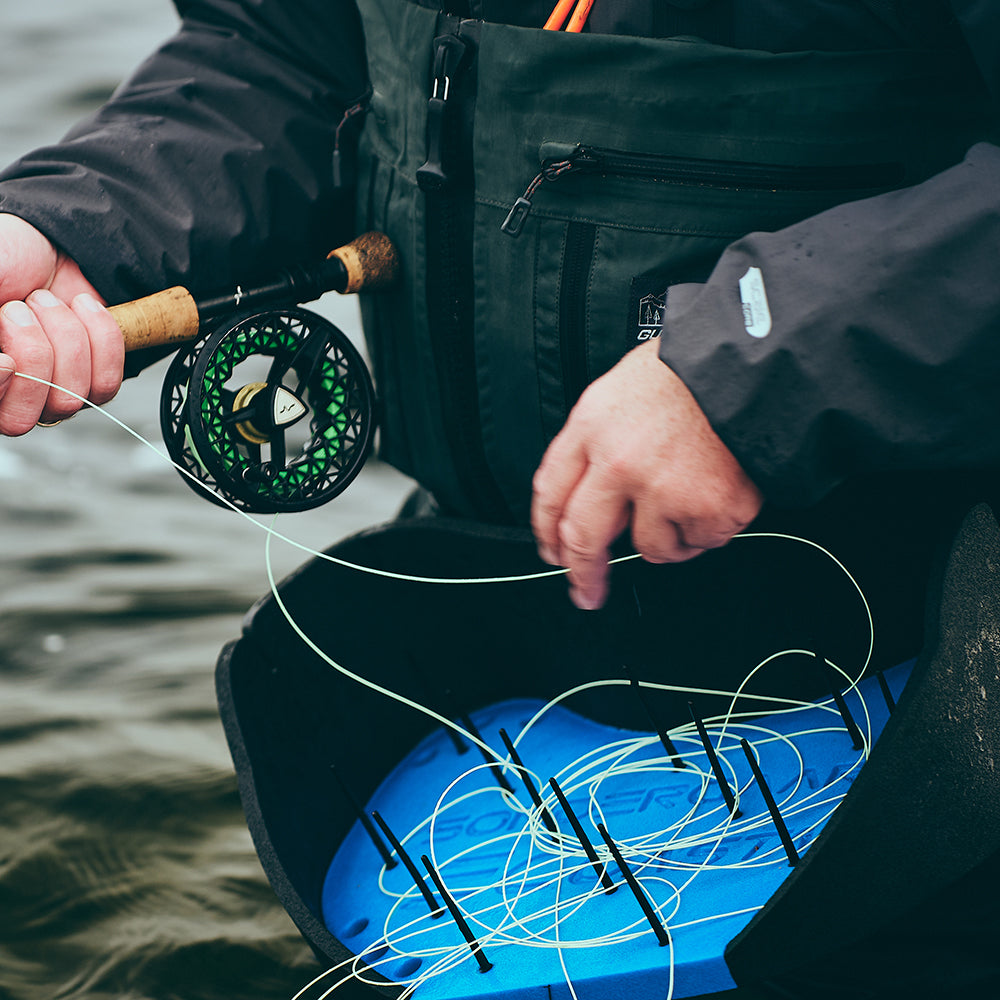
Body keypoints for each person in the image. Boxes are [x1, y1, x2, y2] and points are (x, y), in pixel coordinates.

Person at [0, 5, 998, 992]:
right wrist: (77, 226)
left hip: (935, 656)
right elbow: (281, 52)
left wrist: (752, 364)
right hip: (495, 625)